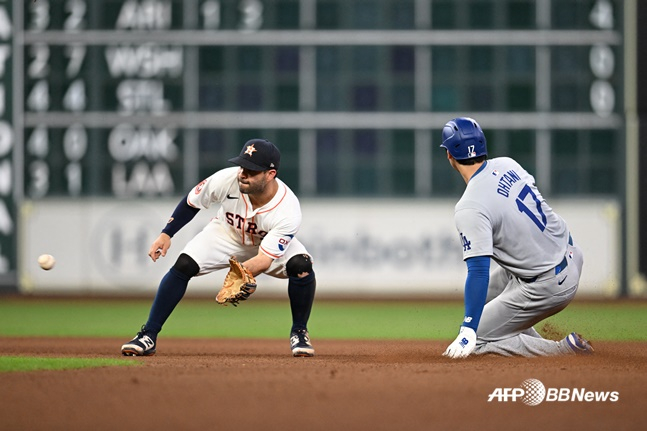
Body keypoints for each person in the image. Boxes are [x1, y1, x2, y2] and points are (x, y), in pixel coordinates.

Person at [121, 139, 317, 357]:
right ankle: (148, 335)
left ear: (270, 174)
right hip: (227, 233)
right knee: (184, 265)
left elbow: (264, 259)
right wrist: (167, 233)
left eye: (252, 171)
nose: (243, 173)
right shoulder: (227, 178)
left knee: (302, 265)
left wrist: (241, 273)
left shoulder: (288, 210)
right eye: (243, 166)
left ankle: (299, 332)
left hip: (264, 244)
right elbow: (191, 202)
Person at [439, 117, 593, 358]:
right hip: (570, 253)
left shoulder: (469, 206)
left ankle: (561, 351)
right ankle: (516, 331)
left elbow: (478, 271)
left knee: (477, 339)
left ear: (449, 155)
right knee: (484, 299)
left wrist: (469, 329)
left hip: (549, 284)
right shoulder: (508, 164)